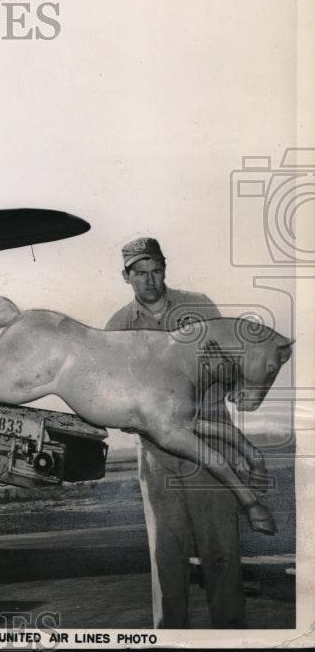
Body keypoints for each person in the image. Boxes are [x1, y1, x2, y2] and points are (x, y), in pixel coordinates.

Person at [105, 237, 246, 629]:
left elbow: (234, 367)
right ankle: (169, 637)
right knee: (167, 556)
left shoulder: (199, 306)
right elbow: (110, 394)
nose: (151, 281)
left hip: (211, 444)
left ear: (165, 269)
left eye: (157, 271)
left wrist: (227, 371)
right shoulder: (117, 328)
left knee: (221, 553)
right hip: (158, 455)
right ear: (126, 276)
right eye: (141, 273)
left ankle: (233, 636)